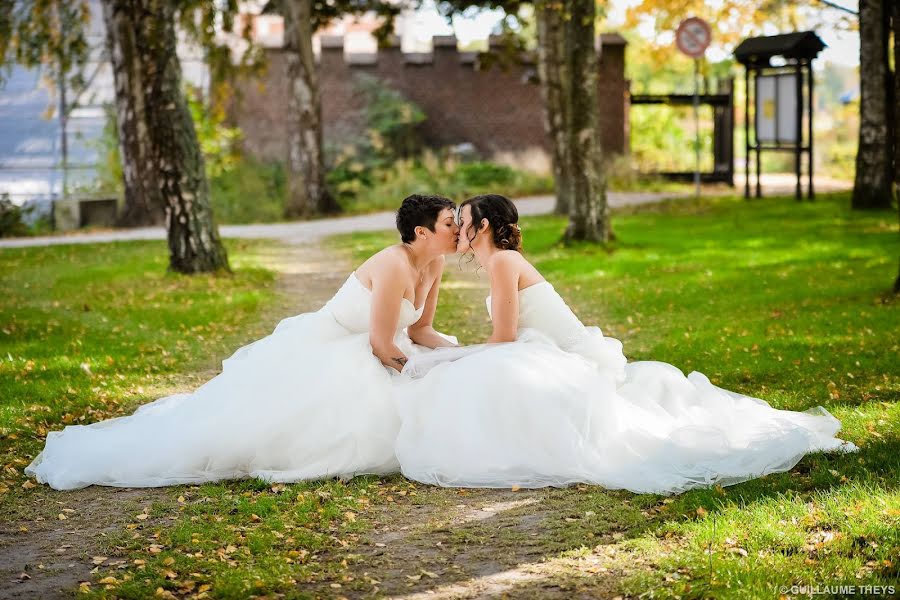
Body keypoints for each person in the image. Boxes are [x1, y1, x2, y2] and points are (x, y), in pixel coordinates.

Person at [394, 194, 859, 495]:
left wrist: (451, 358)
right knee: (486, 372)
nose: (459, 230)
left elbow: (503, 341)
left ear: (486, 227)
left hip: (572, 358)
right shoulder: (501, 262)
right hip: (549, 353)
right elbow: (506, 342)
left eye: (466, 222)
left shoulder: (503, 262)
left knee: (478, 372)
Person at [25, 194, 460, 490]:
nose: (458, 229)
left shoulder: (435, 262)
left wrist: (460, 356)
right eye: (448, 223)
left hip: (375, 348)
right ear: (421, 232)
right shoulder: (393, 266)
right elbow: (383, 344)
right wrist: (419, 372)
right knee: (254, 432)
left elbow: (419, 331)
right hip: (335, 347)